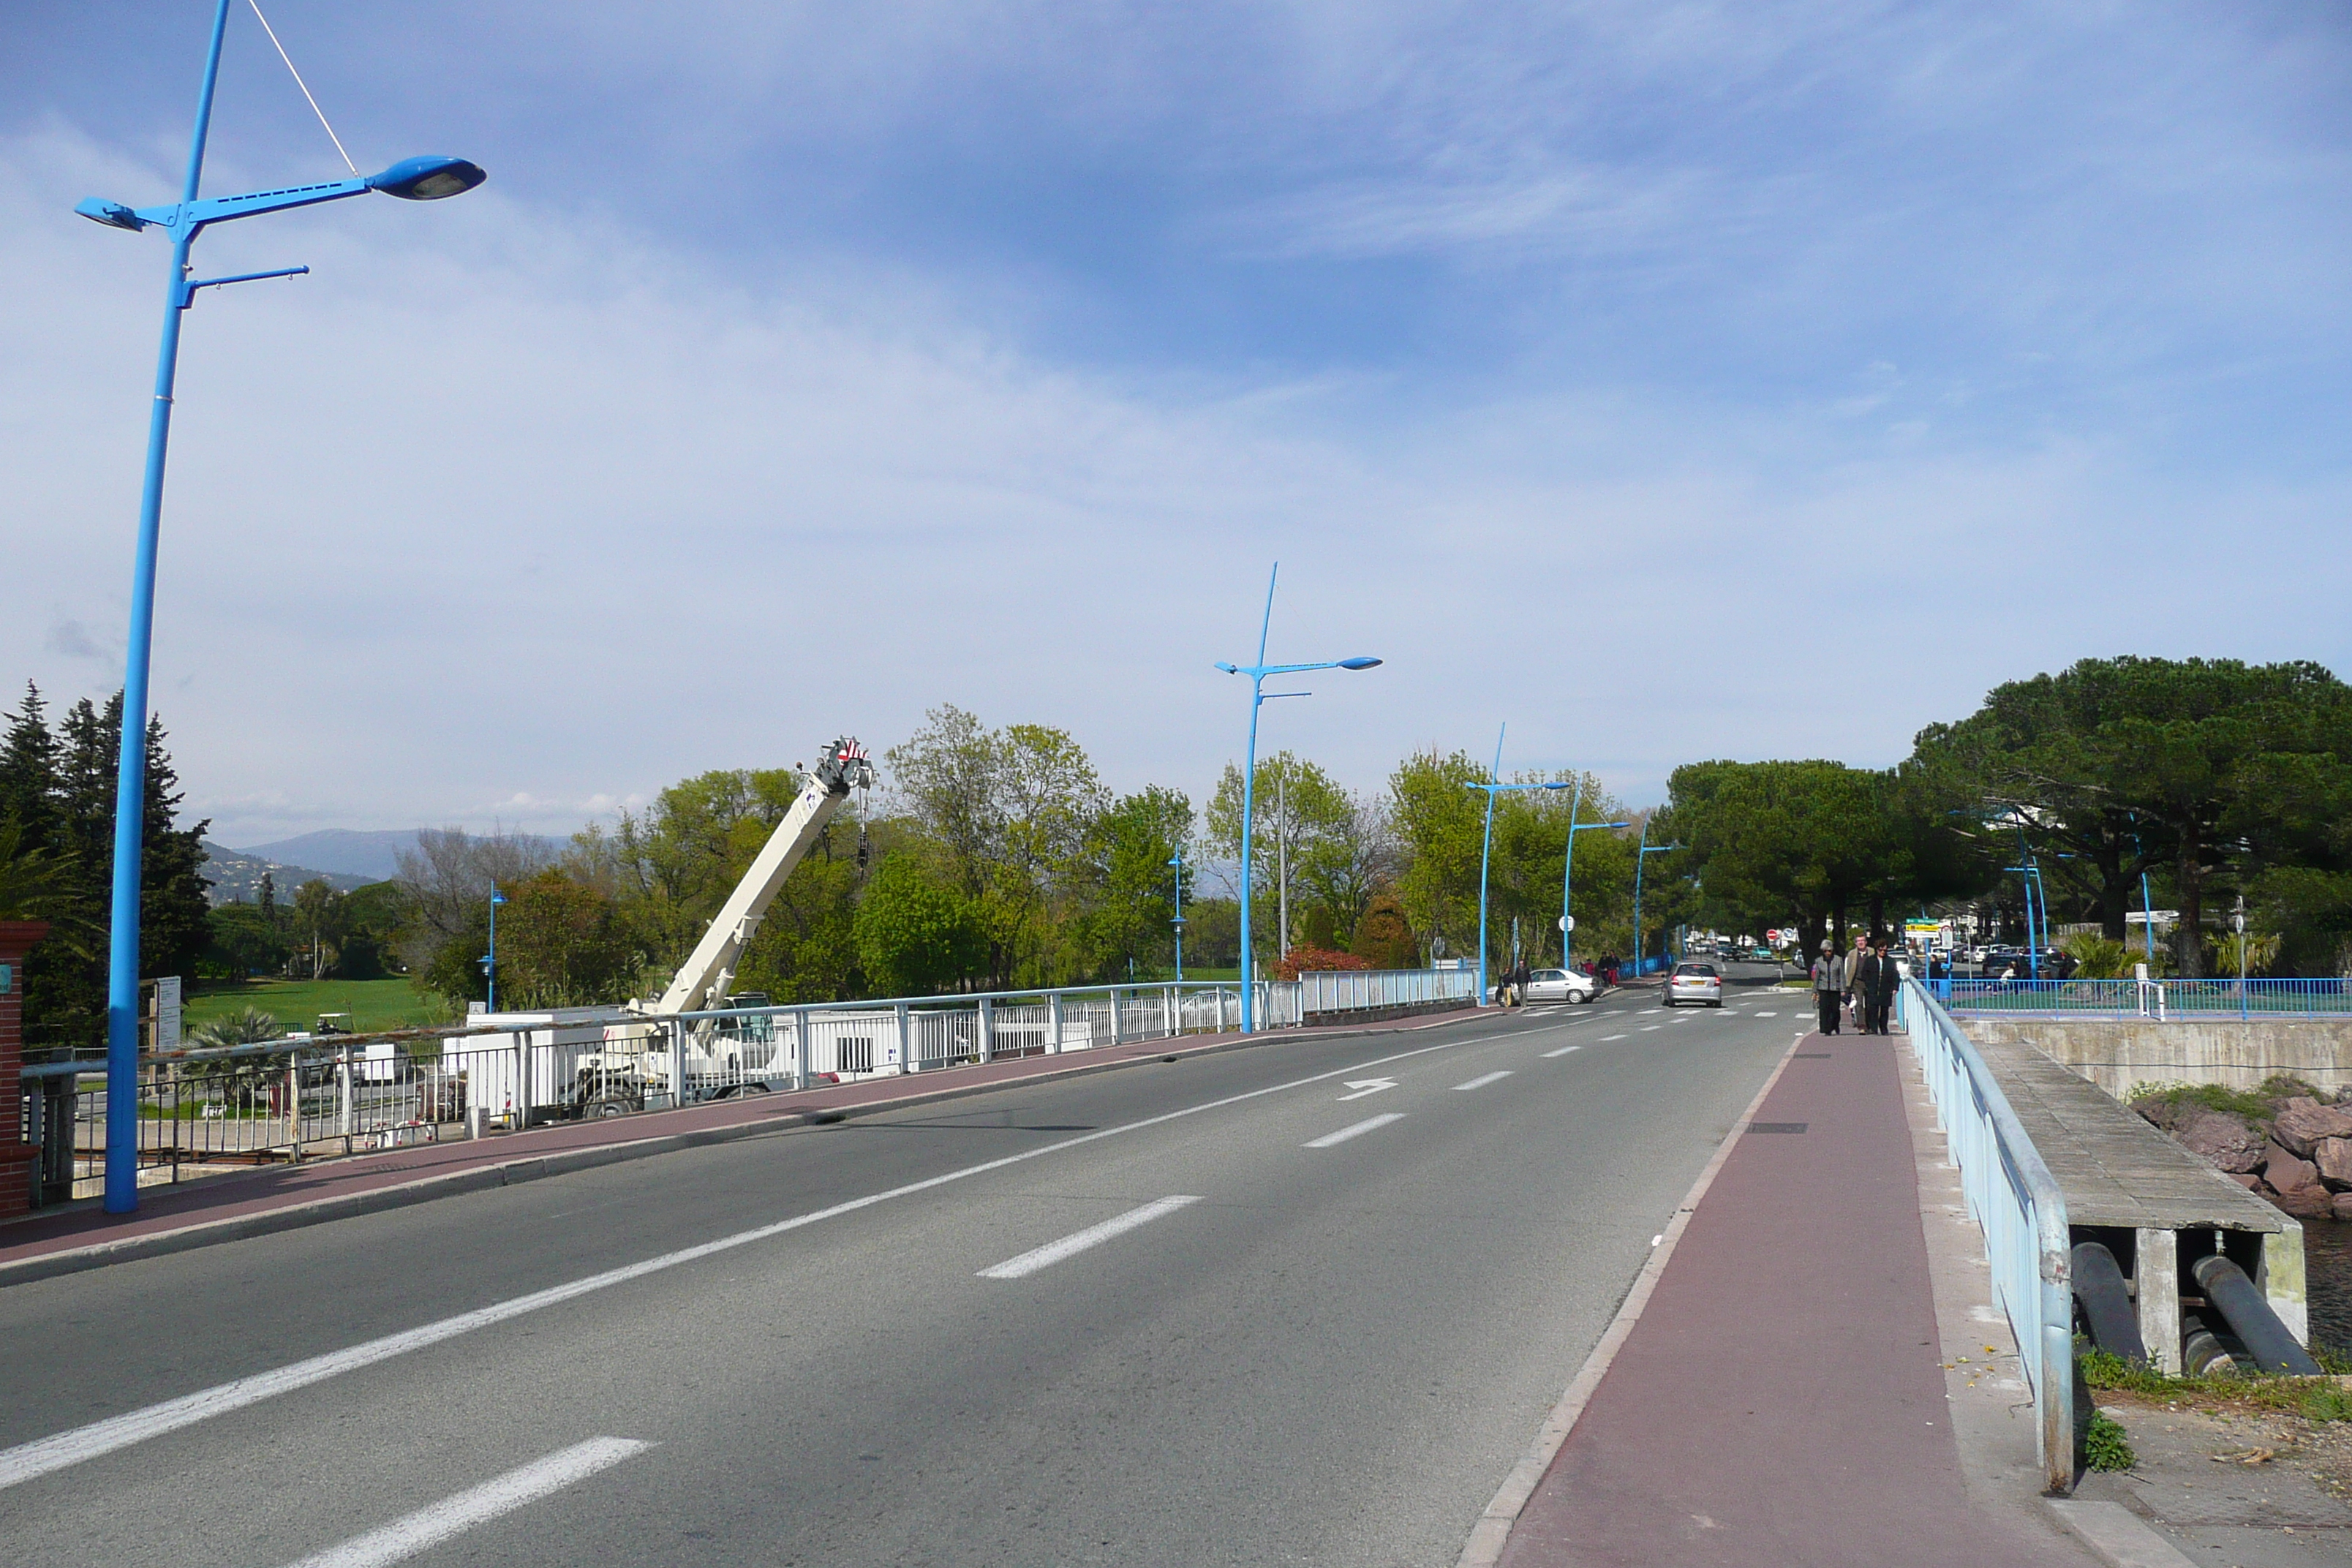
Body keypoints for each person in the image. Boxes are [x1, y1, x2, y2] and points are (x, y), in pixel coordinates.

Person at [1812, 940, 1844, 1035]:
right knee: (1824, 1010)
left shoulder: (1838, 960)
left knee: (1835, 1010)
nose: (1827, 953)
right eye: (1825, 951)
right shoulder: (1819, 961)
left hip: (1835, 988)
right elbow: (1817, 977)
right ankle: (1826, 1029)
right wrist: (1815, 991)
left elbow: (1842, 975)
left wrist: (1843, 989)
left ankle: (1835, 1025)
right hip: (1823, 988)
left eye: (1829, 951)